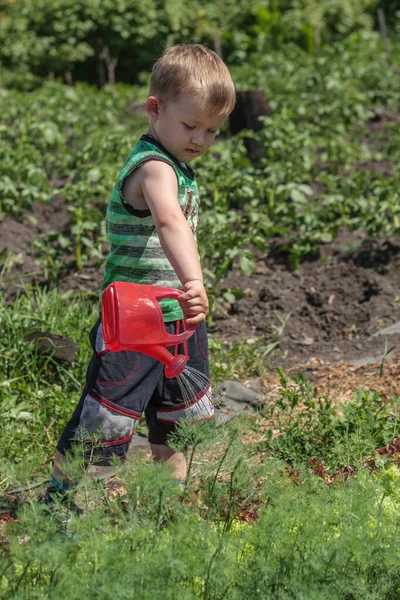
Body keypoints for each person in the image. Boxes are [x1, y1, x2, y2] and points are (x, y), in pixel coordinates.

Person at [43, 43, 236, 511]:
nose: (199, 139)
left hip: (176, 315)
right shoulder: (153, 167)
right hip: (136, 316)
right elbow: (169, 221)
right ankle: (57, 508)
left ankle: (164, 511)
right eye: (190, 125)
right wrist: (196, 282)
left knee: (176, 420)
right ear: (155, 109)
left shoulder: (180, 165)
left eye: (211, 130)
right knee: (104, 418)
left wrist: (186, 295)